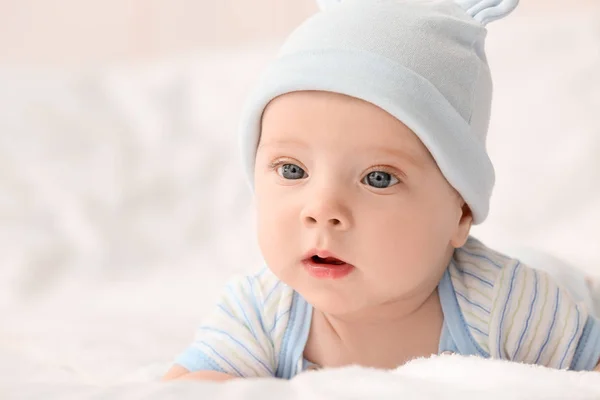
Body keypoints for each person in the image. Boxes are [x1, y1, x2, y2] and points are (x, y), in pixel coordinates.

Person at [162, 0, 600, 381]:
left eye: (378, 178)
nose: (322, 210)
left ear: (461, 212)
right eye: (292, 170)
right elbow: (187, 383)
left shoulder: (510, 305)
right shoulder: (262, 310)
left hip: (561, 282)